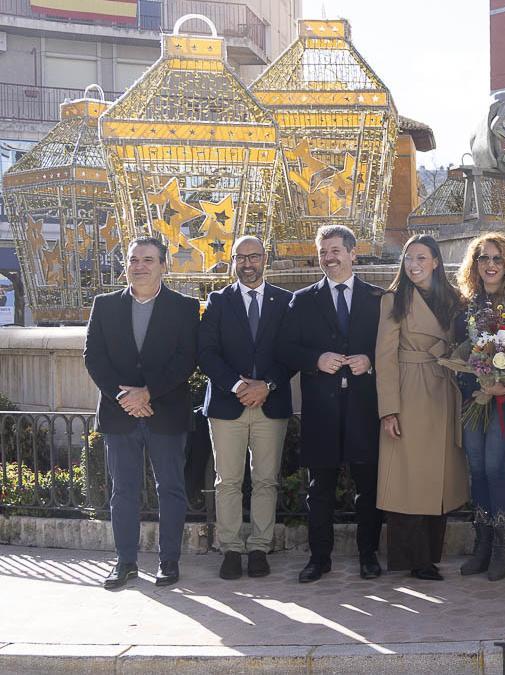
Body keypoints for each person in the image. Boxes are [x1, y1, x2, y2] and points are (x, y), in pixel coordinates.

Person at [84, 236, 199, 589]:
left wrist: (148, 392)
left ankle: (169, 562)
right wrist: (126, 397)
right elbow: (93, 357)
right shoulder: (104, 305)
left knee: (171, 489)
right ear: (126, 266)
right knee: (123, 491)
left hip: (166, 412)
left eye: (148, 259)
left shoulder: (184, 307)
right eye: (134, 259)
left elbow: (186, 359)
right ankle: (125, 562)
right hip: (121, 415)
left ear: (164, 265)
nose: (140, 266)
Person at [278, 225, 383, 583]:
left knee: (368, 488)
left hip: (364, 409)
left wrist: (370, 360)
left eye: (336, 250)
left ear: (354, 253)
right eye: (324, 251)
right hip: (321, 411)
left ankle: (369, 555)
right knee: (318, 490)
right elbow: (287, 349)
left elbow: (391, 349)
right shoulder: (303, 300)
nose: (329, 257)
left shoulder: (376, 298)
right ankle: (318, 558)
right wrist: (315, 359)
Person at [197, 235, 294, 580]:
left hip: (271, 403)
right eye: (241, 258)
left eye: (253, 257)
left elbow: (292, 353)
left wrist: (266, 385)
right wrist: (238, 385)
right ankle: (231, 549)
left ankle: (258, 548)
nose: (247, 264)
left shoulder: (285, 302)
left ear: (264, 258)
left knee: (266, 480)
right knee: (228, 481)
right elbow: (205, 352)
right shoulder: (218, 302)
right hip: (228, 404)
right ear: (233, 261)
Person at [374, 235, 468, 581]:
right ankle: (414, 560)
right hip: (410, 391)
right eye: (408, 258)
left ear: (435, 262)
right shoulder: (394, 299)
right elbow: (384, 359)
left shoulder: (454, 300)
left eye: (421, 258)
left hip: (444, 387)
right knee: (408, 478)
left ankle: (432, 553)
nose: (413, 264)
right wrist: (389, 410)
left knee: (437, 478)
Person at [454, 233, 505, 581]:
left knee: (496, 465)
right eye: (484, 258)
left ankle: (501, 548)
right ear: (475, 264)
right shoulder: (464, 305)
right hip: (473, 395)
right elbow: (458, 349)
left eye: (497, 259)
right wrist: (476, 379)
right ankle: (481, 544)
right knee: (477, 467)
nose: (491, 265)